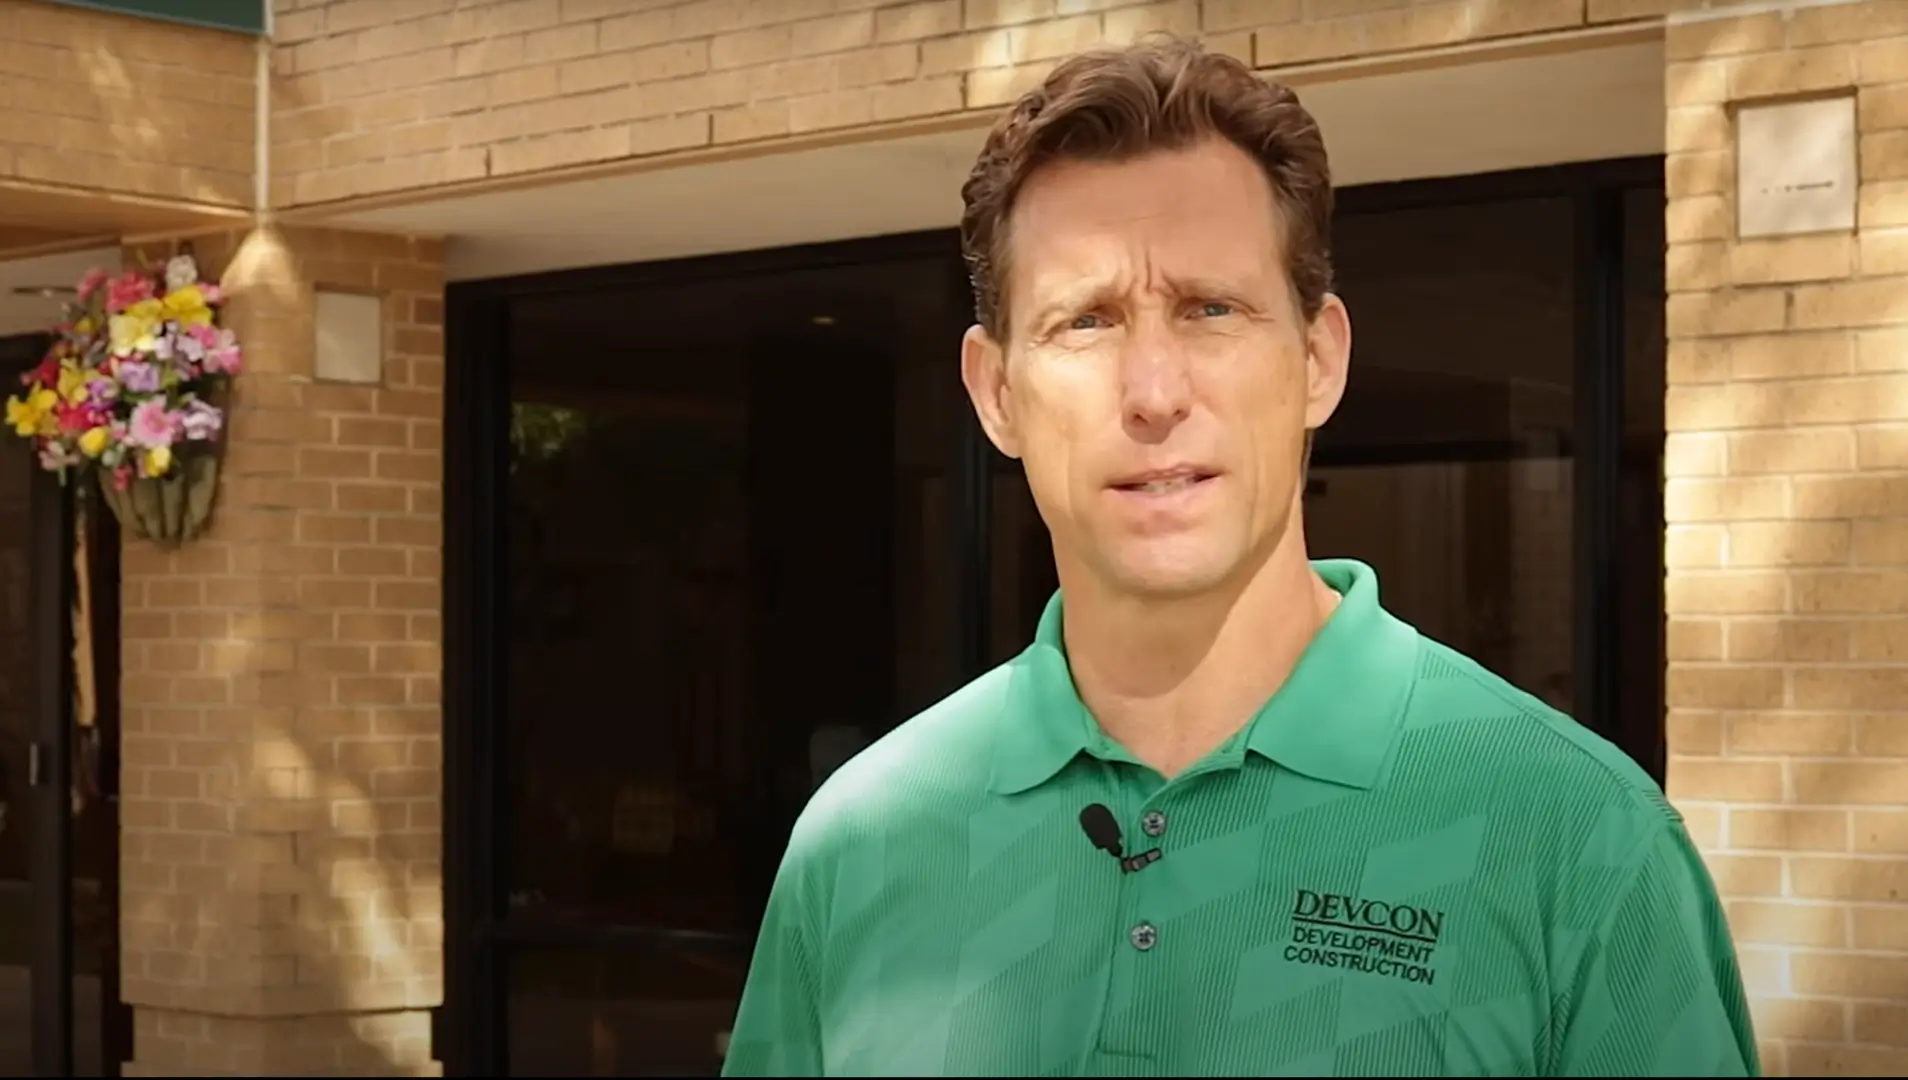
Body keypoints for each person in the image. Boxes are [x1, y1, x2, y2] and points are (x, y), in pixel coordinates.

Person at [721, 37, 1758, 1078]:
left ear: (1318, 361)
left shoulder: (1577, 843)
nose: (1156, 392)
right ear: (997, 394)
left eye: (1211, 309)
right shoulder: (862, 844)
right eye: (1086, 321)